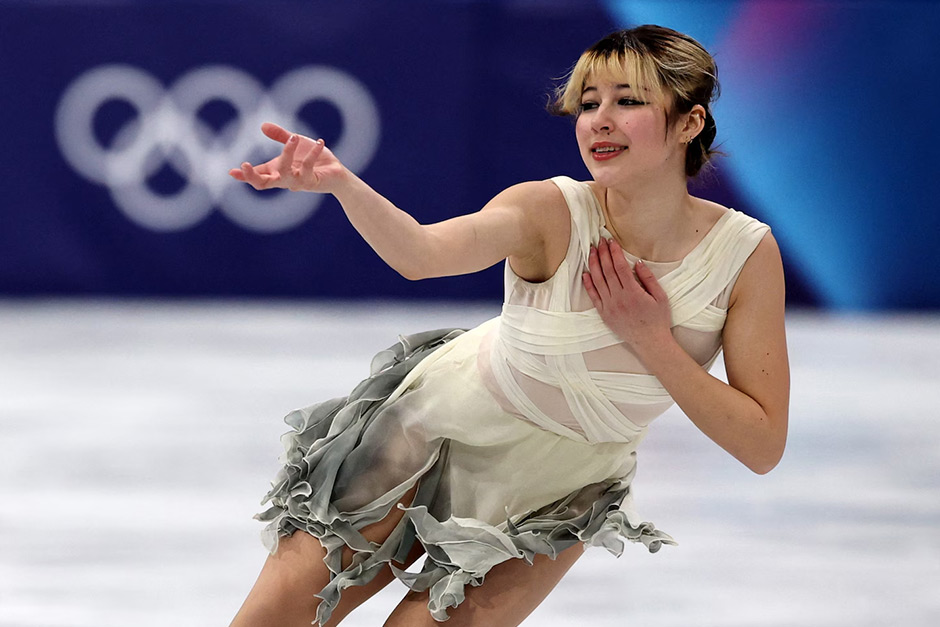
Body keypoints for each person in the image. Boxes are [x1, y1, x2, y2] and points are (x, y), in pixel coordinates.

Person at [227, 24, 789, 627]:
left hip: (558, 494)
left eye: (628, 100)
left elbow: (760, 446)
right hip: (435, 427)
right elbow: (421, 255)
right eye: (589, 102)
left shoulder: (744, 254)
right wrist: (343, 185)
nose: (599, 119)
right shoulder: (546, 210)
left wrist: (651, 339)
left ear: (690, 122)